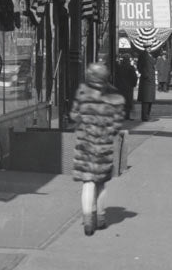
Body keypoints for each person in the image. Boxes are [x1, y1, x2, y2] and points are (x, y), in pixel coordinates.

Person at [69, 62, 125, 236]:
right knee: (100, 182)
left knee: (88, 181)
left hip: (85, 143)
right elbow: (117, 122)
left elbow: (74, 115)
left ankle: (87, 221)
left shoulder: (82, 92)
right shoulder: (115, 95)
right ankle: (100, 219)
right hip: (104, 144)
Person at [114, 54, 137, 120]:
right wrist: (133, 84)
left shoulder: (119, 67)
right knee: (128, 101)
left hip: (120, 87)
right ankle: (127, 116)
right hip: (129, 87)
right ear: (128, 60)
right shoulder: (131, 67)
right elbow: (134, 78)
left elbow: (116, 77)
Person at [137, 49, 156, 121]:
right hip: (146, 81)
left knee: (150, 100)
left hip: (151, 80)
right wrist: (146, 75)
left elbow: (153, 63)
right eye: (148, 47)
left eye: (150, 47)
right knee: (146, 99)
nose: (150, 48)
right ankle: (145, 116)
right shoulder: (143, 55)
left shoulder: (150, 55)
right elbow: (139, 66)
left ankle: (147, 115)